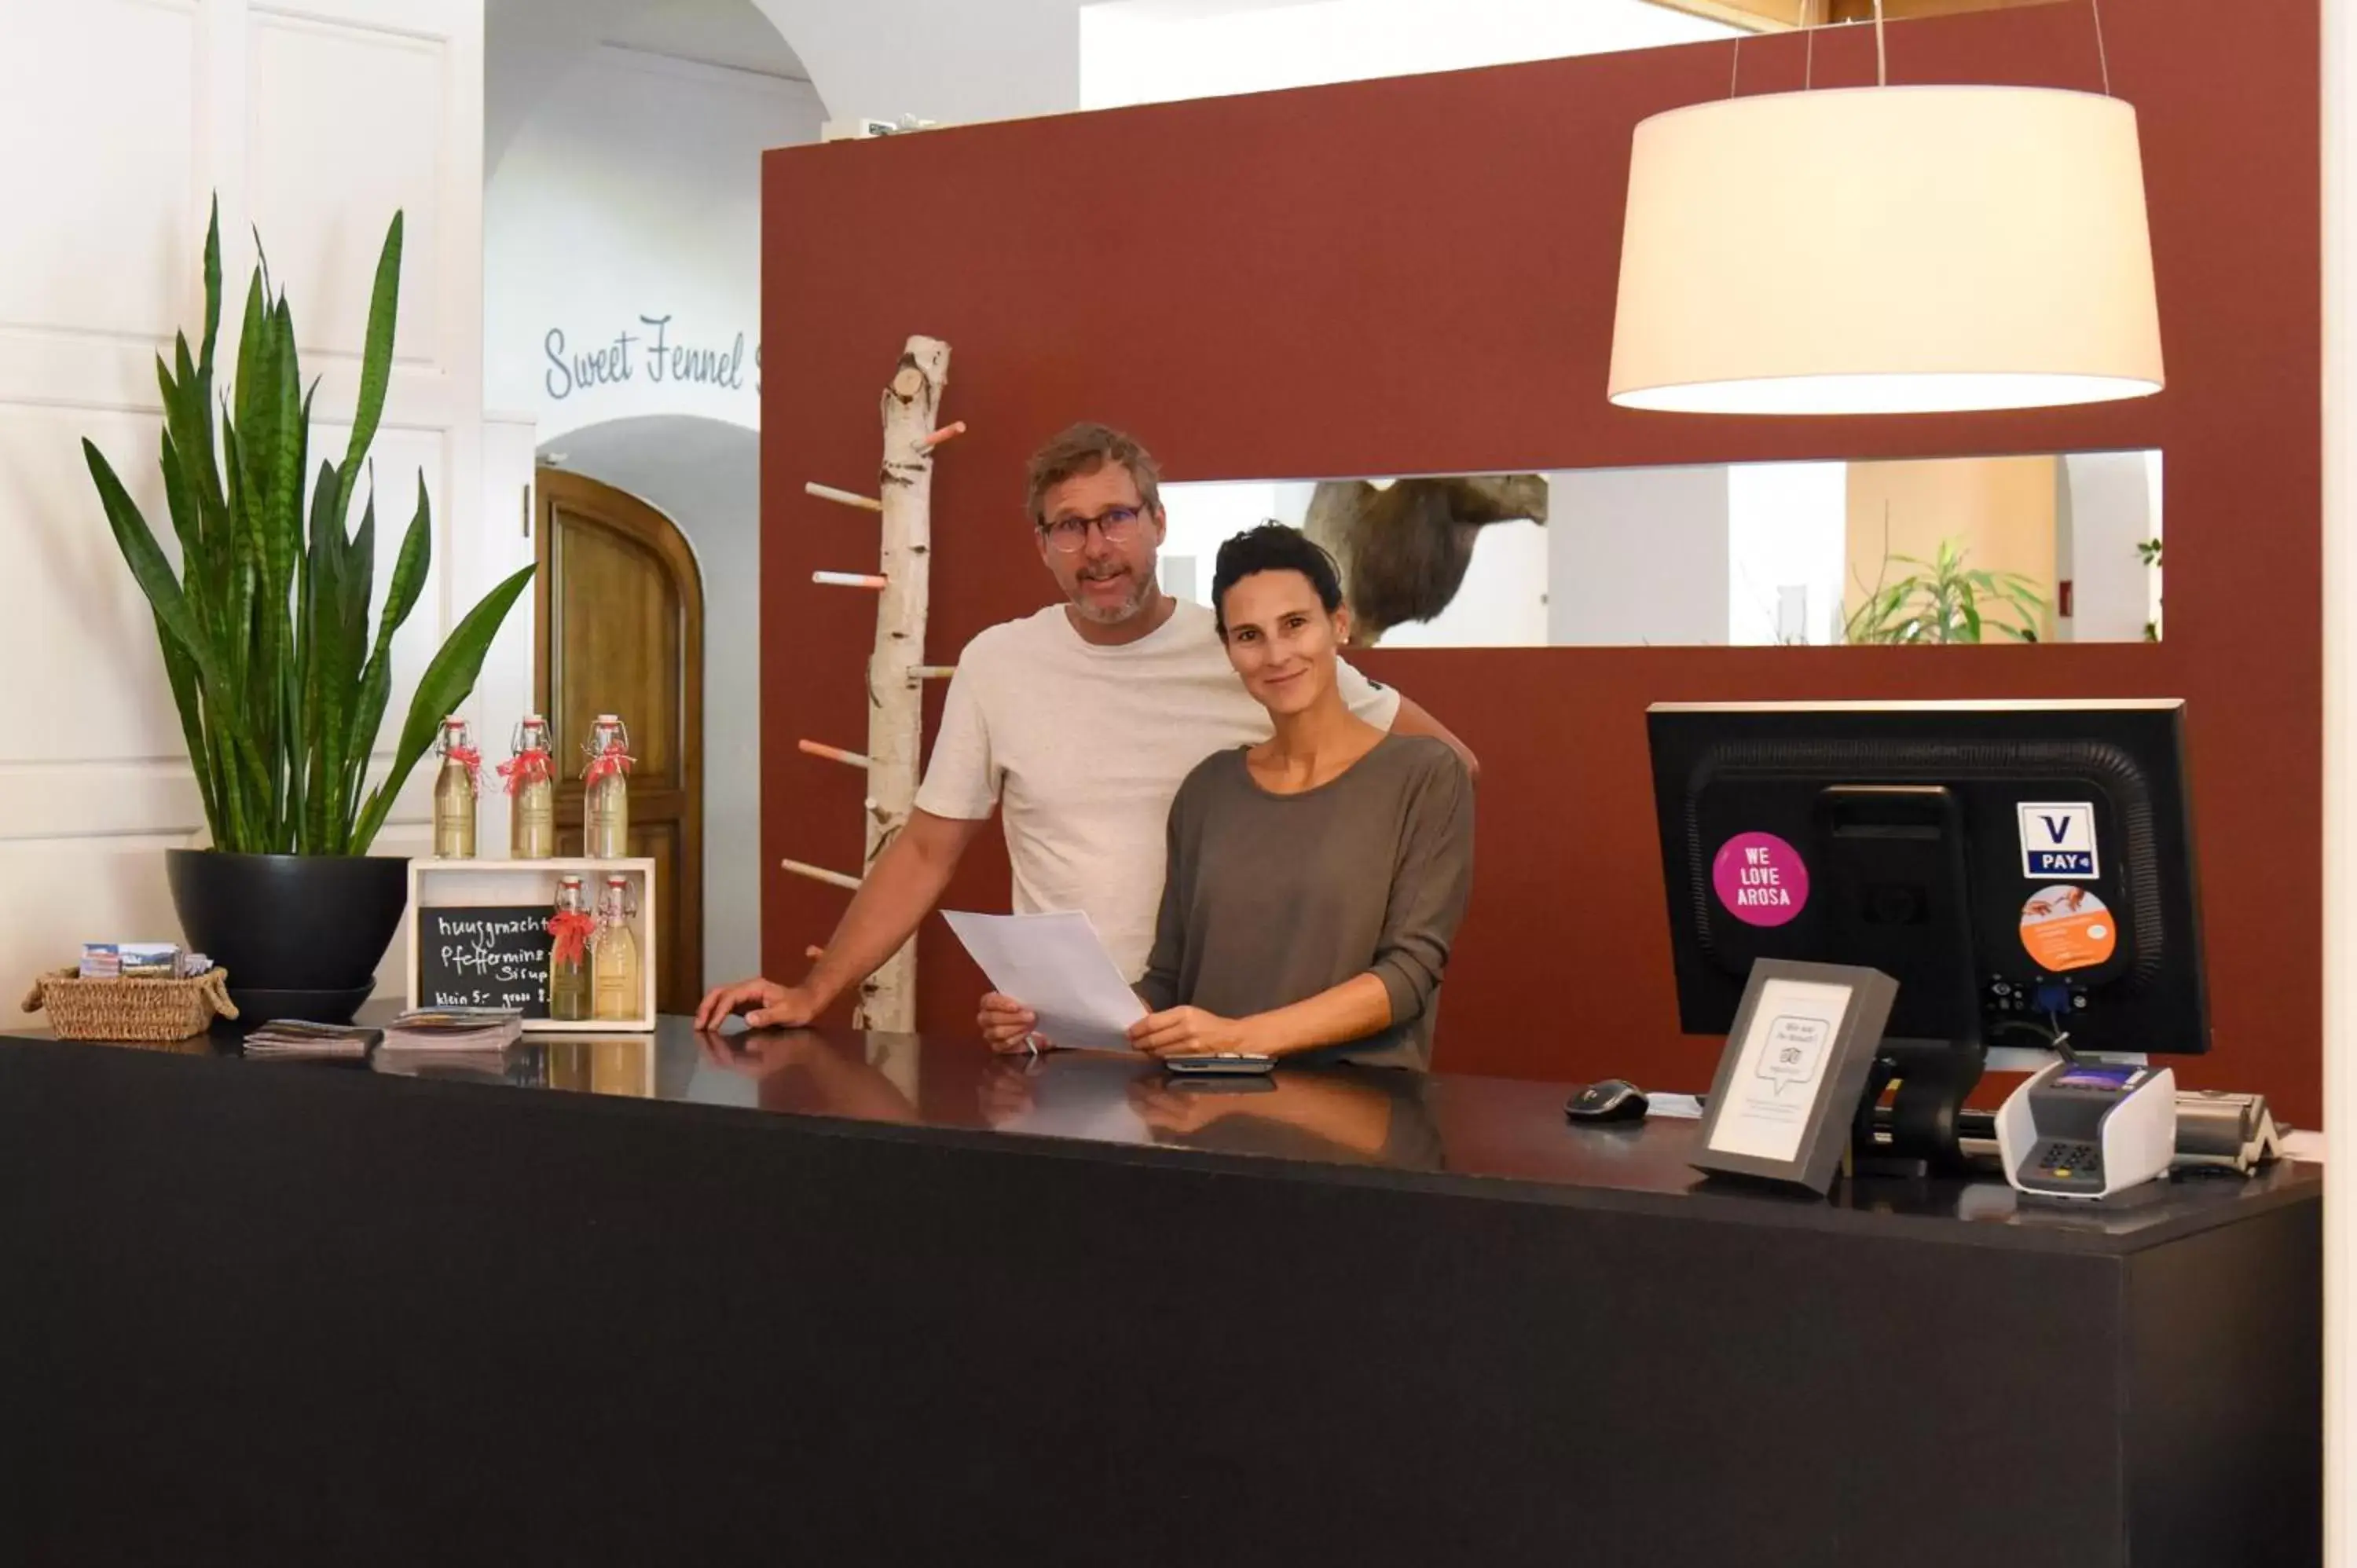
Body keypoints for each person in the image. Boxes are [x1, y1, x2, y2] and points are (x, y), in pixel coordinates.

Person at [694, 423, 1475, 1032]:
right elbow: (929, 847)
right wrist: (815, 990)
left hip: (1224, 1034)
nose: (1097, 548)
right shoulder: (998, 663)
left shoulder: (1252, 648)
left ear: (1158, 521)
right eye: (1069, 527)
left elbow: (1443, 766)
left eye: (1117, 518)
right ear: (1043, 546)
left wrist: (1342, 939)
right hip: (1062, 1035)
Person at [979, 524, 1475, 1070]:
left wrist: (1238, 1037)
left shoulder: (1425, 776)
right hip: (1202, 1114)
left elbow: (1409, 975)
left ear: (1338, 624)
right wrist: (1057, 1025)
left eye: (1294, 625)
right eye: (1248, 635)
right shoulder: (1209, 791)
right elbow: (1168, 981)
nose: (1276, 654)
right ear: (1229, 651)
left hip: (1360, 1124)